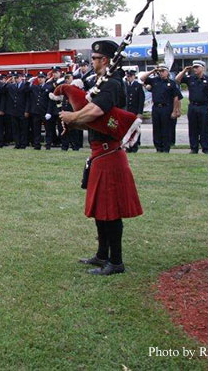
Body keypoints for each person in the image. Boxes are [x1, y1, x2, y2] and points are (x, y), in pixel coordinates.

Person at [60, 40, 143, 276]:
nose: (92, 62)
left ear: (105, 60)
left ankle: (116, 261)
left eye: (95, 58)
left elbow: (95, 111)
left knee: (111, 210)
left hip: (109, 154)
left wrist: (72, 117)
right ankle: (102, 254)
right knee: (100, 208)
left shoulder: (113, 85)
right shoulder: (102, 83)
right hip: (100, 152)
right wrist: (74, 122)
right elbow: (93, 116)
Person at [176, 60, 208, 154]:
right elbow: (177, 79)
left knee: (204, 128)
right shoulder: (190, 78)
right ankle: (194, 148)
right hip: (193, 106)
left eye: (197, 67)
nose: (195, 69)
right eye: (194, 67)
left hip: (204, 106)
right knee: (193, 128)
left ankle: (205, 148)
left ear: (202, 68)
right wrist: (184, 70)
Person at [140, 65, 180, 152]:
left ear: (167, 72)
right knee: (156, 128)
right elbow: (142, 78)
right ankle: (158, 148)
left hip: (166, 107)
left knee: (166, 128)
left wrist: (174, 111)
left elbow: (176, 98)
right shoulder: (155, 80)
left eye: (163, 71)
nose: (161, 73)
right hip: (156, 107)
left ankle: (166, 147)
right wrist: (152, 71)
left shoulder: (171, 83)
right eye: (160, 71)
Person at [123, 70, 145, 153]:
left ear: (133, 76)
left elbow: (141, 100)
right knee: (127, 129)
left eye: (130, 76)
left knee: (136, 129)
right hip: (127, 111)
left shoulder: (138, 86)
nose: (128, 78)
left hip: (135, 111)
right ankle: (127, 145)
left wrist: (140, 112)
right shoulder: (125, 85)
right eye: (127, 76)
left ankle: (135, 145)